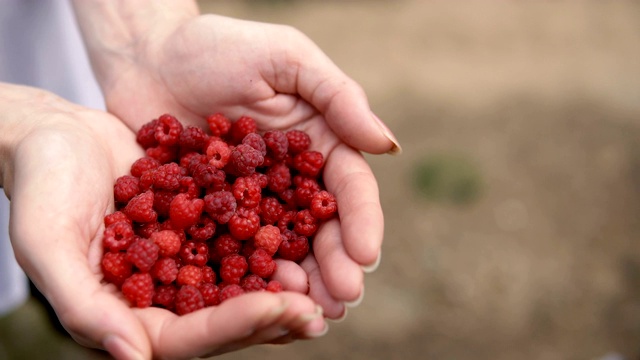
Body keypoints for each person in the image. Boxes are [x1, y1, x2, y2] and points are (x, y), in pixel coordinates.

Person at [0, 1, 401, 359]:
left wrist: (148, 37)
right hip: (65, 129)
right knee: (70, 281)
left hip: (64, 66)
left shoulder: (238, 191)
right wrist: (16, 124)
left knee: (84, 301)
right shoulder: (167, 209)